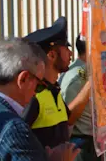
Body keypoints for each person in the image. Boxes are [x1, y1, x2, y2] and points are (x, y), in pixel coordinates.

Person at [22, 17, 91, 150]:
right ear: (52, 55)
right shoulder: (33, 96)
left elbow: (68, 119)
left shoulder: (53, 91)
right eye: (66, 48)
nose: (71, 53)